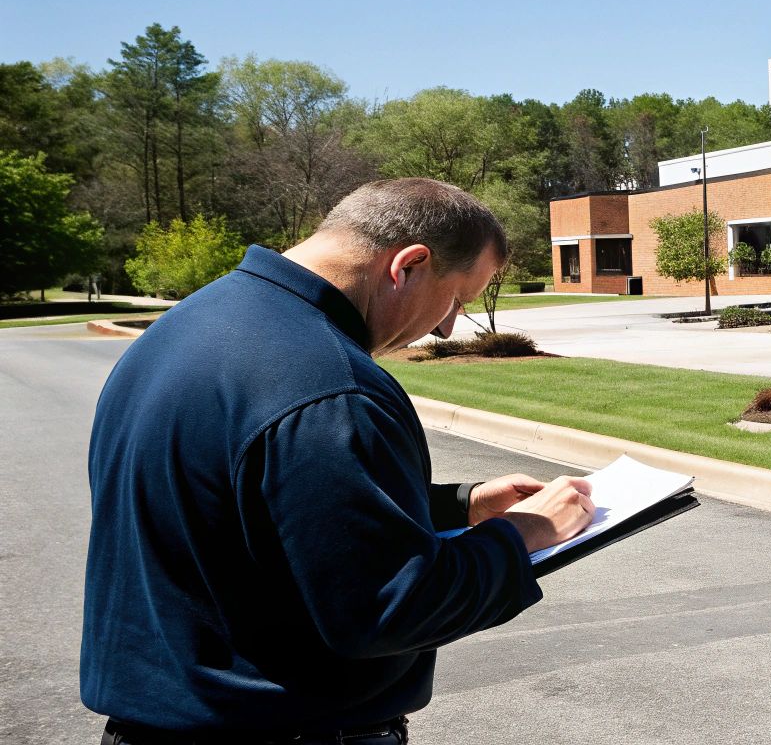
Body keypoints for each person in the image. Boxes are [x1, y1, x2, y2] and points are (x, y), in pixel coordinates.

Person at [82, 178, 596, 744]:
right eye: (457, 300)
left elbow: (259, 509)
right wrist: (521, 536)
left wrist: (461, 506)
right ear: (409, 265)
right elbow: (387, 608)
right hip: (281, 730)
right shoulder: (330, 387)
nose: (449, 326)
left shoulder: (191, 325)